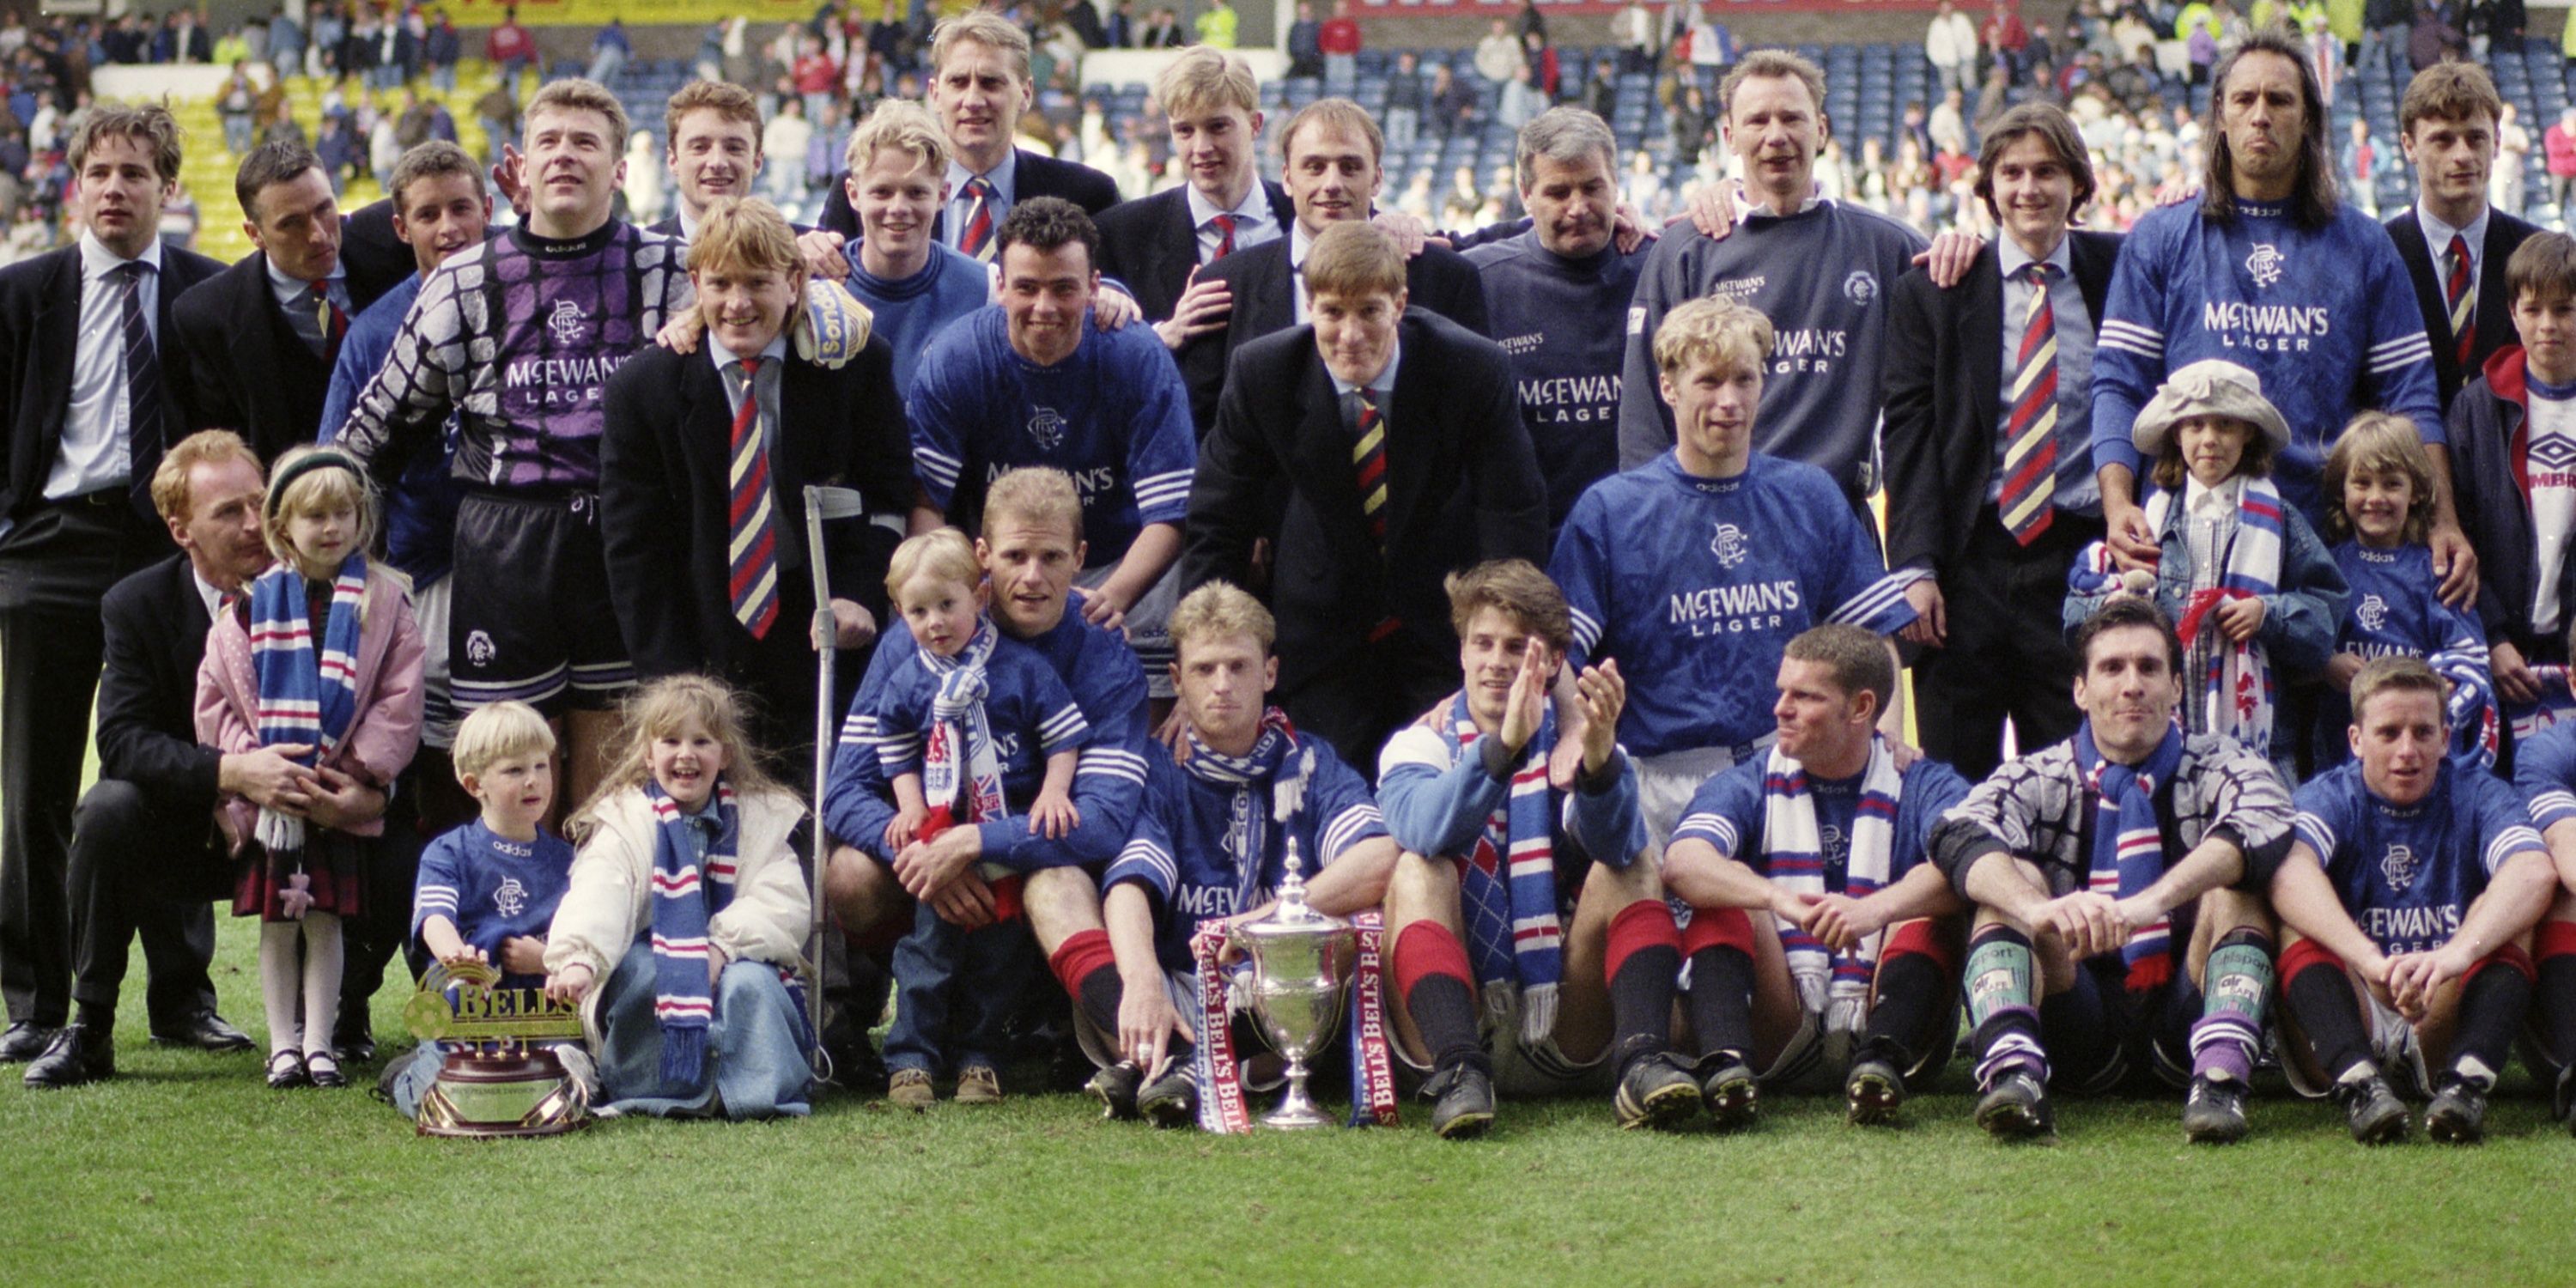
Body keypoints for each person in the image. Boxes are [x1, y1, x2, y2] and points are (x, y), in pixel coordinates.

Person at [336, 80, 696, 819]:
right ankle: (509, 927)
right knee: (511, 784)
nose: (566, 155)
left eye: (586, 142)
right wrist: (320, 537)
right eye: (549, 142)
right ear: (520, 168)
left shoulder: (670, 270)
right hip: (506, 545)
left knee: (612, 788)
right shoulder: (465, 282)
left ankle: (597, 933)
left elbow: (771, 298)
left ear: (622, 169)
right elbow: (375, 429)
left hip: (623, 542)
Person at [0, 104, 223, 1062]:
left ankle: (182, 998)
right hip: (48, 546)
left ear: (167, 188)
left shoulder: (209, 297)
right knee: (33, 785)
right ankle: (36, 1003)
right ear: (75, 183)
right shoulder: (22, 293)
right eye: (99, 172)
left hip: (166, 554)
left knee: (172, 770)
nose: (115, 189)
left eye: (135, 173)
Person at [820, 466, 1152, 1083]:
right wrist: (927, 858)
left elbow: (1105, 821)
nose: (1032, 576)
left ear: (1080, 558)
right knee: (849, 873)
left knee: (1055, 879)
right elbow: (842, 790)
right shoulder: (924, 631)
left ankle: (1087, 1029)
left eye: (1052, 556)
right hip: (931, 848)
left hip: (1034, 858)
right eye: (1014, 555)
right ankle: (856, 1014)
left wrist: (977, 845)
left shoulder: (1105, 653)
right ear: (982, 557)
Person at [2091, 30, 2458, 584]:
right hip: (2186, 543)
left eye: (2280, 100)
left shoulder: (2362, 245)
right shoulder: (2162, 237)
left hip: (2330, 544)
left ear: (2308, 117)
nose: (2260, 115)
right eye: (2244, 99)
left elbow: (2410, 396)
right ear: (2220, 114)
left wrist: (2443, 520)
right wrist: (2119, 507)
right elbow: (2119, 383)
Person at [1556, 297, 1919, 847]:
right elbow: (1560, 651)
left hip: (1791, 766)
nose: (1729, 401)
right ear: (1668, 388)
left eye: (1744, 380)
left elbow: (1871, 640)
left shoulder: (1809, 494)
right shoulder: (1611, 510)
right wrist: (1574, 729)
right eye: (1709, 382)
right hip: (1661, 780)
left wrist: (1881, 741)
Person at [1184, 222, 1543, 775]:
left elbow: (1511, 514)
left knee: (1444, 796)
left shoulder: (1471, 368)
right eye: (1331, 313)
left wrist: (1499, 646)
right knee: (1328, 803)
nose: (1350, 335)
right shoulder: (1263, 373)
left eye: (1369, 312)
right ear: (1309, 307)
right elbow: (1217, 523)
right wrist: (1205, 665)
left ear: (1399, 304)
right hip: (1320, 626)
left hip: (1441, 622)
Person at [1933, 596, 2293, 1144]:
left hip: (2185, 1015)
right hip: (2075, 1021)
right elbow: (1958, 833)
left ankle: (2220, 1083)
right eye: (2112, 669)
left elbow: (2265, 820)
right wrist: (2042, 908)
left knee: (2238, 887)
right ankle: (2015, 1080)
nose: (2132, 685)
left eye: (2149, 668)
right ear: (2080, 690)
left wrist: (2152, 902)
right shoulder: (2040, 772)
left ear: (2176, 687)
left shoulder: (2223, 761)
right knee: (2007, 886)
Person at [1376, 559, 1697, 1135]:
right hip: (1459, 1019)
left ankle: (1643, 1061)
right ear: (1463, 653)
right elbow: (1424, 827)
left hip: (1564, 1025)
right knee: (1416, 869)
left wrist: (1599, 766)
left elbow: (1615, 845)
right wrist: (1503, 750)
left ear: (1551, 663)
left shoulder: (1579, 744)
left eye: (1516, 647)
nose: (1497, 662)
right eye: (1484, 644)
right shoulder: (1420, 743)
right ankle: (1458, 1074)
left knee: (1637, 861)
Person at [601, 197, 912, 769]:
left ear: (794, 282)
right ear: (696, 284)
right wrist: (672, 687)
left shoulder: (854, 367)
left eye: (757, 283)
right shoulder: (643, 390)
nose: (737, 304)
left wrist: (860, 592)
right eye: (720, 283)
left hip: (821, 626)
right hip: (702, 629)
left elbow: (886, 493)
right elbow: (634, 554)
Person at [1084, 580, 1397, 1124]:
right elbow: (1129, 884)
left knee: (1362, 925)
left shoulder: (1308, 762)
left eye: (1238, 666)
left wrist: (1256, 924)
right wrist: (1139, 983)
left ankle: (1176, 1069)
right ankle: (1184, 1058)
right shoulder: (1157, 768)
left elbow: (1381, 856)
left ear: (1270, 673)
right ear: (1177, 681)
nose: (1222, 685)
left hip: (1278, 984)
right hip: (1174, 990)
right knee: (1084, 909)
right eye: (1205, 670)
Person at [21, 434, 270, 1088]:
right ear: (179, 527)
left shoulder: (318, 589)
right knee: (105, 808)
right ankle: (91, 1026)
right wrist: (227, 774)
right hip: (191, 829)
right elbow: (123, 739)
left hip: (307, 813)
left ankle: (347, 1023)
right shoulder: (134, 604)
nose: (253, 524)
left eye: (260, 503)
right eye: (228, 512)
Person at [1885, 103, 2122, 781]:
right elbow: (1911, 437)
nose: (2029, 189)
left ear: (2078, 182)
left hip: (2083, 561)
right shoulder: (1936, 290)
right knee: (1956, 782)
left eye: (2047, 171)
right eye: (2011, 173)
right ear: (1986, 190)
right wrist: (1918, 566)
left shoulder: (2125, 271)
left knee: (2080, 777)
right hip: (1970, 563)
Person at [1661, 625, 1972, 1125]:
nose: (1780, 709)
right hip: (1783, 1018)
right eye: (1782, 691)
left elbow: (1979, 863)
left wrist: (1875, 909)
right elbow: (1683, 862)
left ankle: (1880, 1062)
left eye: (1804, 696)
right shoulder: (1751, 779)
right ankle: (1727, 1063)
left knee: (1937, 896)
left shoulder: (1923, 781)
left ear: (1861, 708)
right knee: (1723, 893)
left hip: (1893, 1020)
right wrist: (1778, 900)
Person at [197, 445, 425, 1091]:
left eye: (344, 514)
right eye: (315, 516)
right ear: (281, 527)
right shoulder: (247, 607)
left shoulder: (383, 603)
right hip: (277, 802)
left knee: (327, 921)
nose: (331, 528)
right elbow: (217, 696)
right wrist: (257, 766)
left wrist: (355, 774)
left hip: (334, 792)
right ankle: (282, 1045)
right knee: (279, 923)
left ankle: (321, 1043)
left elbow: (399, 699)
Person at [907, 197, 1194, 693]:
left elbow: (1171, 514)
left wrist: (1112, 597)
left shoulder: (1137, 356)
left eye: (1064, 288)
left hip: (1121, 560)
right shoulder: (957, 359)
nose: (1045, 307)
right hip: (1000, 564)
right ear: (1000, 287)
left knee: (1138, 714)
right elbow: (926, 501)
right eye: (1027, 287)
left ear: (1094, 287)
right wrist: (953, 586)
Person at [1616, 51, 1929, 501]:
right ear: (1730, 136)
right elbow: (1645, 421)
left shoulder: (1889, 247)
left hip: (1838, 522)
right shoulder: (1685, 252)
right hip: (1715, 517)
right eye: (1758, 121)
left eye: (1792, 118)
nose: (1776, 136)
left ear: (1821, 129)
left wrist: (1969, 251)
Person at [2271, 655, 2555, 1143]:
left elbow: (2533, 870)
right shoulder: (2331, 795)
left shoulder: (2477, 793)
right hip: (2355, 1001)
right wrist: (2370, 961)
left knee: (2509, 911)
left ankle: (2466, 1084)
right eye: (2389, 733)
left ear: (2446, 738)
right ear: (2356, 740)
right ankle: (2359, 1085)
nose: (2408, 751)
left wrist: (2453, 956)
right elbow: (2288, 872)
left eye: (2423, 733)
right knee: (2292, 915)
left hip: (2440, 1002)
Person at [868, 528, 1088, 1107]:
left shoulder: (1020, 668)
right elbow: (891, 741)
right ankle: (912, 1058)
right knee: (927, 952)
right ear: (899, 613)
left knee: (999, 956)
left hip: (1002, 835)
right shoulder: (910, 676)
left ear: (979, 596)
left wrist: (1054, 791)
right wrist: (910, 802)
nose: (935, 622)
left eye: (948, 604)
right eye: (918, 611)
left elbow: (1062, 735)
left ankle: (981, 1058)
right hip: (939, 837)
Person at [542, 675, 813, 1119]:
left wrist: (720, 948)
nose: (685, 754)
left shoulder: (760, 817)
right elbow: (599, 889)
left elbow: (781, 898)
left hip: (736, 955)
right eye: (670, 740)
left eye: (701, 741)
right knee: (650, 978)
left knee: (751, 987)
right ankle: (658, 1085)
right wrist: (581, 957)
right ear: (649, 755)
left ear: (725, 754)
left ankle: (749, 1089)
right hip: (652, 951)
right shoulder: (625, 821)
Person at [2065, 359, 2344, 780]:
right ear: (2176, 434)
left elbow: (2326, 617)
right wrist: (2116, 604)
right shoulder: (2147, 526)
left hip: (2258, 747)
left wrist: (2268, 614)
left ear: (2248, 432)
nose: (2209, 440)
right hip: (2159, 745)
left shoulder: (2279, 522)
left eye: (2225, 426)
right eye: (2195, 426)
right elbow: (2075, 620)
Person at [1175, 98, 1491, 434]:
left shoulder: (1447, 278)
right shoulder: (1226, 286)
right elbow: (1204, 430)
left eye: (1350, 167)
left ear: (1377, 179)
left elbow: (1477, 420)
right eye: (1314, 167)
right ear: (1286, 177)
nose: (1332, 184)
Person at [384, 701, 582, 1118]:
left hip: (541, 1019)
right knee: (443, 1101)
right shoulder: (449, 852)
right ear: (475, 784)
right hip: (468, 1012)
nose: (534, 782)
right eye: (514, 771)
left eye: (541, 766)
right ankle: (406, 1076)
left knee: (567, 1088)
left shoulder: (569, 861)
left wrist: (545, 960)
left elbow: (584, 935)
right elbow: (435, 916)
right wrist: (456, 958)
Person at [1463, 108, 1645, 540]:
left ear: (1616, 186)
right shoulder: (1476, 282)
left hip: (1642, 540)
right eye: (1558, 192)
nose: (1578, 208)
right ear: (1526, 194)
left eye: (1592, 188)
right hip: (1528, 547)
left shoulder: (1661, 270)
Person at [813, 13, 1120, 253]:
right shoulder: (864, 194)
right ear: (934, 94)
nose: (973, 101)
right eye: (958, 82)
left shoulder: (1087, 195)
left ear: (1025, 93)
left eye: (991, 83)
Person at [168, 142, 378, 471]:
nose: (318, 234)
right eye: (292, 223)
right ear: (255, 234)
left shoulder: (393, 243)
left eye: (324, 209)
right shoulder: (208, 316)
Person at [2315, 413, 2495, 769]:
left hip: (2418, 760)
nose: (2375, 497)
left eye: (2392, 484)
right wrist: (2327, 664)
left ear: (2416, 491)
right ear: (2342, 489)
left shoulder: (2436, 570)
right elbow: (2301, 641)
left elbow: (2470, 660)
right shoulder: (2325, 568)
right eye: (2362, 483)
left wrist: (2435, 686)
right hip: (2342, 755)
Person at [2452, 232, 2576, 734]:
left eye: (2565, 310)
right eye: (2534, 309)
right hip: (2500, 659)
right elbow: (2458, 535)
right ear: (2512, 312)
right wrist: (2492, 637)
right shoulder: (2478, 408)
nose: (2548, 325)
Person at [1094, 48, 1291, 334]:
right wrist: (1164, 334)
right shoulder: (1121, 235)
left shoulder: (1303, 218)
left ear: (1255, 125)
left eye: (1218, 126)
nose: (1201, 148)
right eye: (1185, 131)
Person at [2386, 62, 2540, 413]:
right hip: (2408, 462)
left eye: (2476, 138)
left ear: (2497, 142)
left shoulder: (2536, 254)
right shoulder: (2378, 255)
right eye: (2442, 139)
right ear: (2409, 146)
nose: (2463, 155)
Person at [837, 100, 992, 392]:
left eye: (916, 192)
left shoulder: (985, 289)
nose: (898, 207)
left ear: (943, 195)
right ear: (854, 194)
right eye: (882, 192)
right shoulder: (819, 288)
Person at [652, 80, 767, 244]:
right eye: (700, 147)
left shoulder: (797, 254)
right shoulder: (632, 260)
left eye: (734, 148)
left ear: (757, 162)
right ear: (673, 160)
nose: (717, 162)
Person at [1927, 0, 1981, 96]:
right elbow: (1932, 49)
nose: (1947, 10)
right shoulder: (1935, 26)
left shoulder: (1962, 20)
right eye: (1944, 8)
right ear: (1939, 9)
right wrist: (1941, 62)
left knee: (1970, 87)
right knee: (1949, 92)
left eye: (1949, 7)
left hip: (1966, 61)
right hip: (1947, 65)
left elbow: (1971, 39)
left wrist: (1970, 56)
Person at [485, 7, 534, 100]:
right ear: (515, 16)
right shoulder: (519, 30)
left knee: (500, 88)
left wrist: (495, 62)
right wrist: (532, 60)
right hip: (515, 63)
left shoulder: (497, 30)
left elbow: (491, 48)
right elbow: (527, 47)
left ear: (505, 16)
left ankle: (500, 109)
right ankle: (511, 111)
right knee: (514, 87)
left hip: (500, 64)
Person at [586, 17, 630, 89]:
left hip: (607, 53)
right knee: (610, 81)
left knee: (597, 76)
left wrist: (594, 57)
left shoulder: (607, 32)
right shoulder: (621, 35)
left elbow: (595, 47)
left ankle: (588, 89)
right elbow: (630, 54)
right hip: (618, 55)